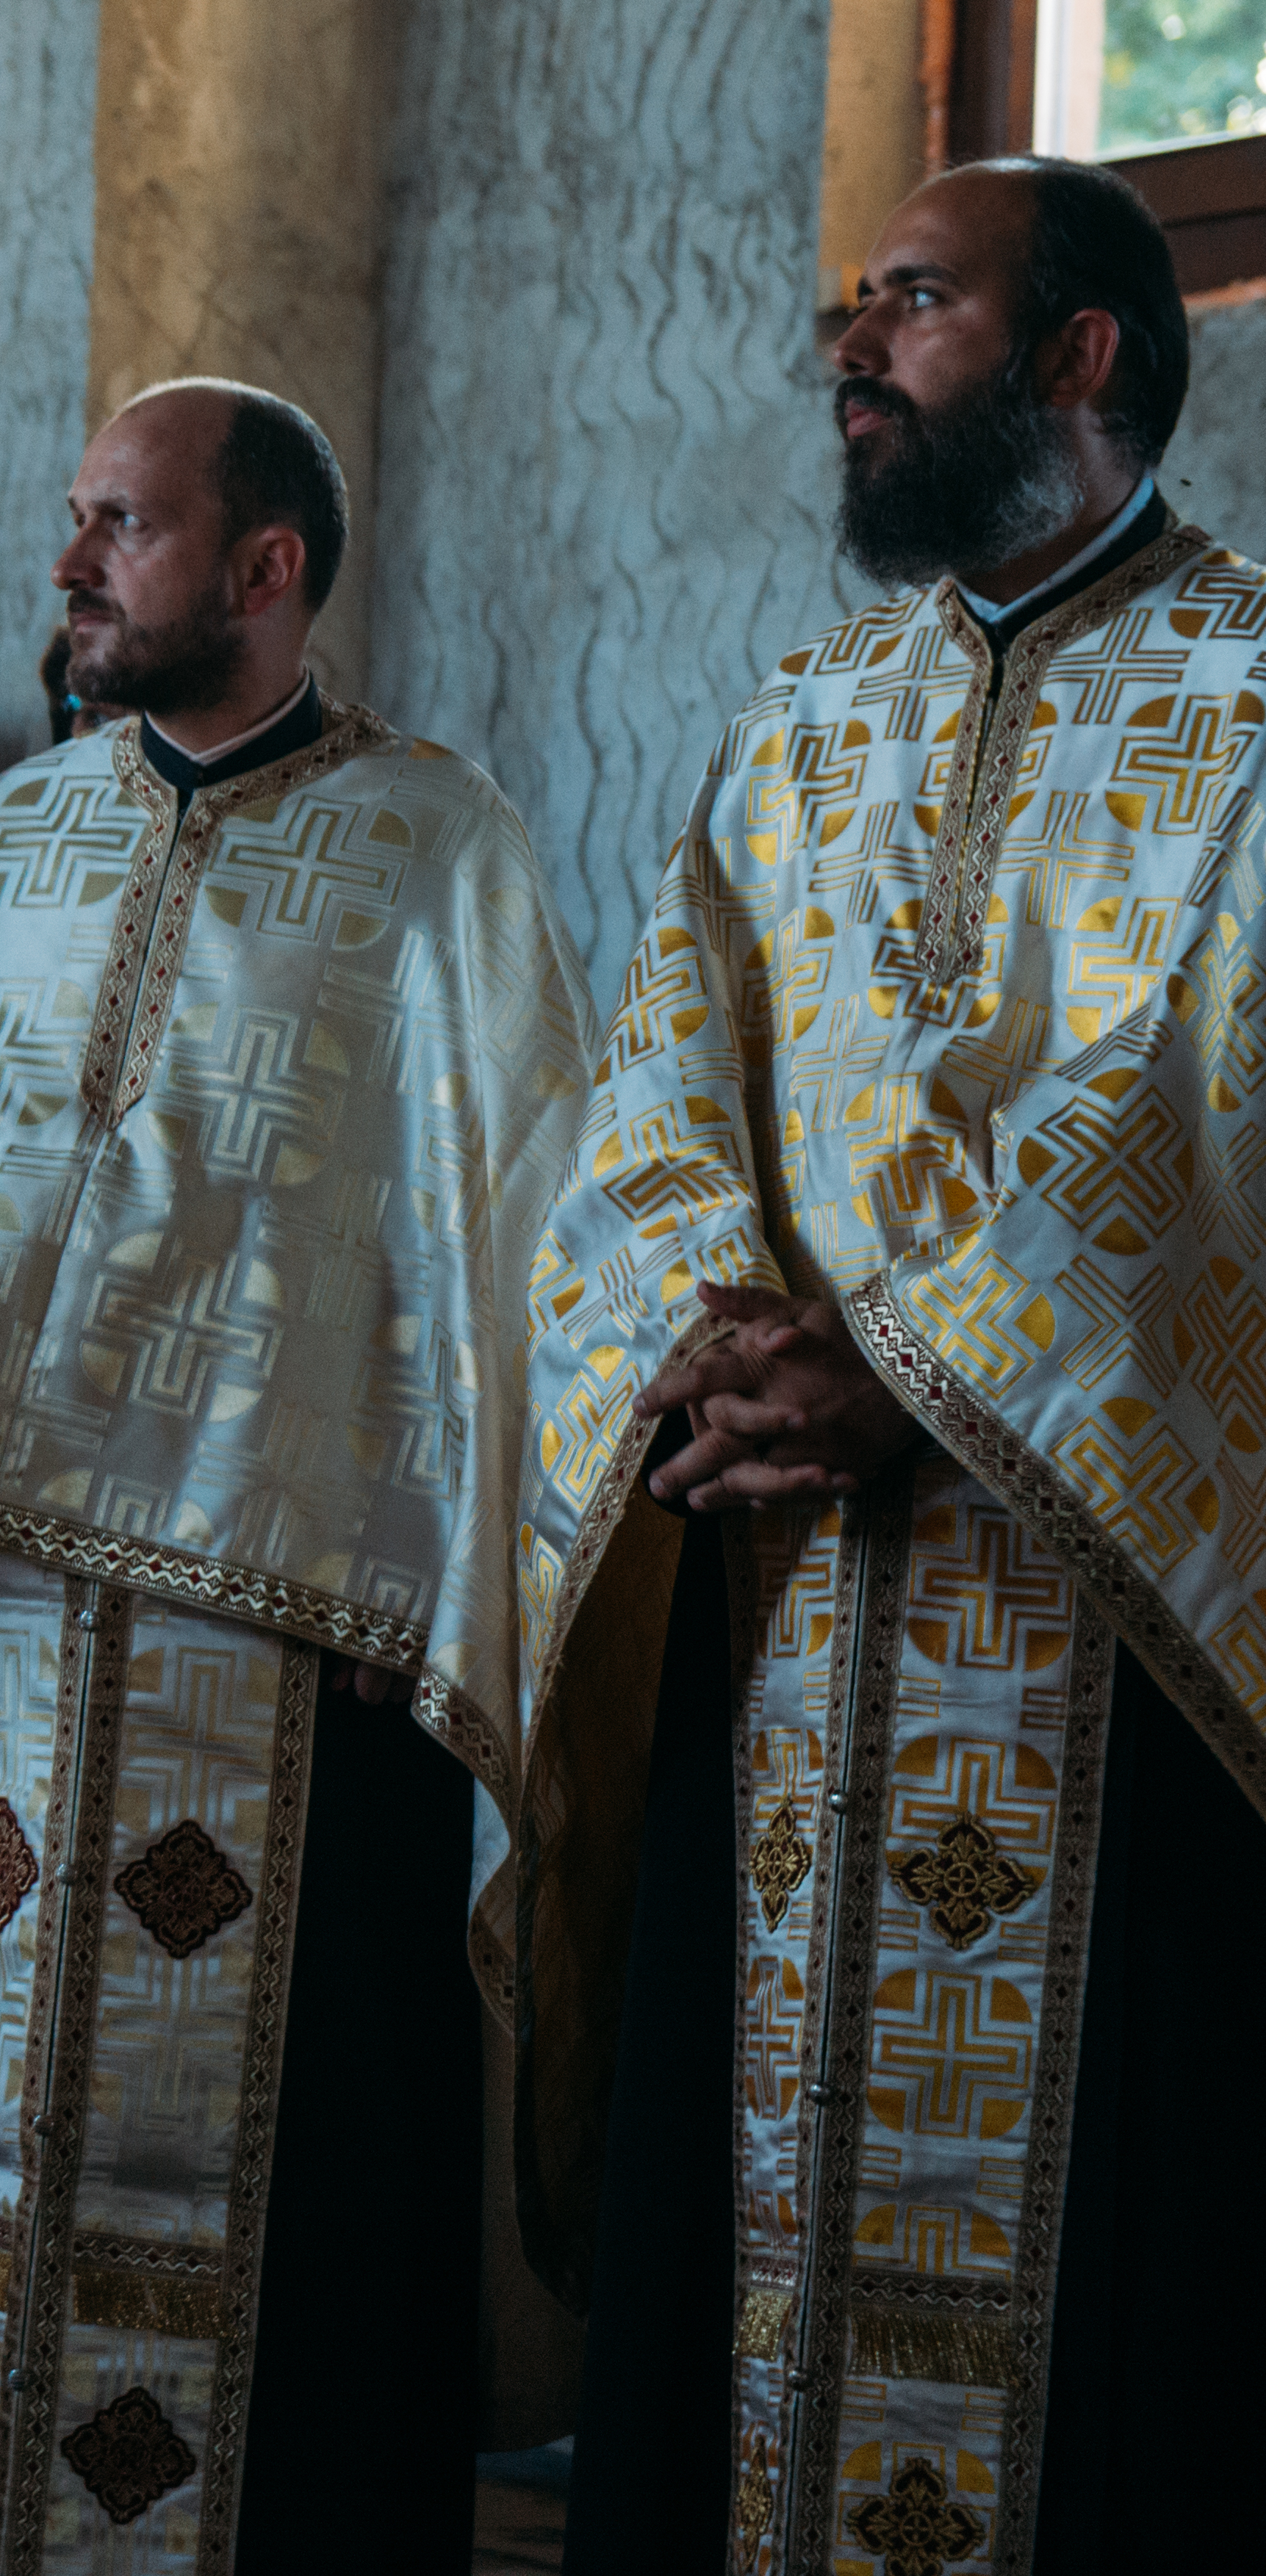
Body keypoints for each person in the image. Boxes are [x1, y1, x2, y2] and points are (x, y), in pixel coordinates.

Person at [0, 379, 593, 2574]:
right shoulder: (9, 847)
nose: (72, 559)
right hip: (10, 1649)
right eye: (74, 514)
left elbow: (508, 1251)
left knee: (298, 2215)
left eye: (123, 522)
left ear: (266, 567)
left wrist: (454, 1591)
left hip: (306, 1664)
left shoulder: (437, 855)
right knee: (0, 2165)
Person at [525, 158, 1261, 2567]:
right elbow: (660, 1067)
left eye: (914, 303)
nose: (848, 345)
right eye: (851, 303)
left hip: (1100, 1632)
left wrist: (906, 1367)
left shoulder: (1247, 700)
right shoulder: (802, 711)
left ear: (1073, 355)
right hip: (778, 1603)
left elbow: (1195, 1101)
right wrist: (719, 1320)